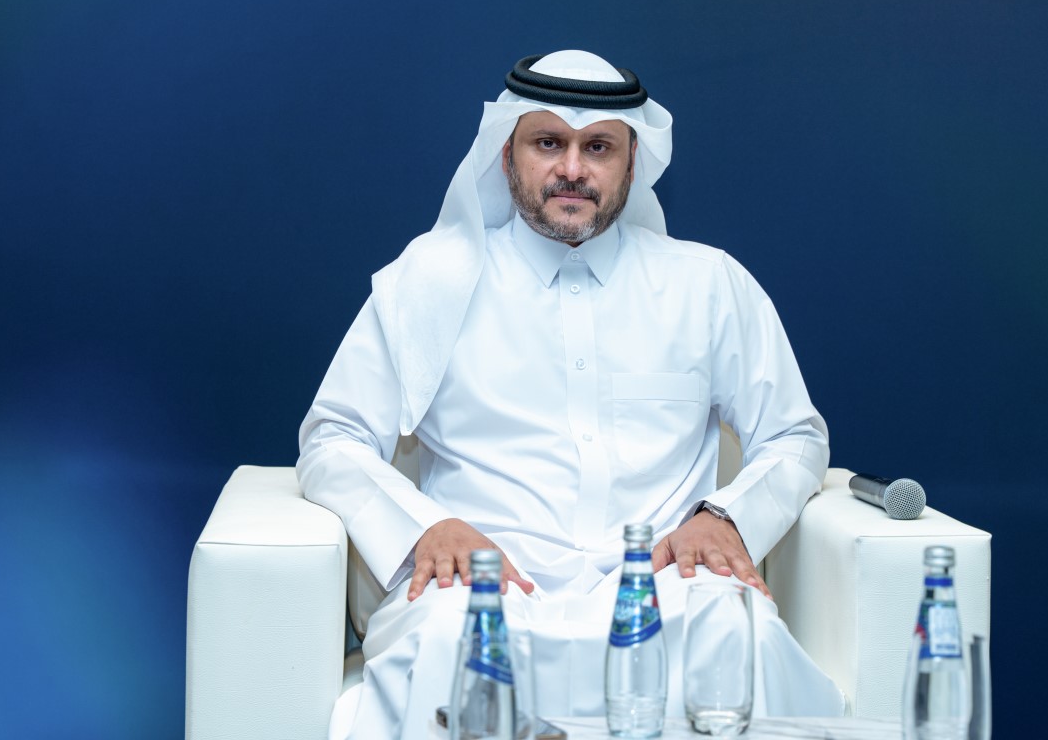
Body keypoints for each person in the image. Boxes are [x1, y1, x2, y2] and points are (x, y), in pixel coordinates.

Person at [297, 50, 844, 739]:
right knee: (442, 643)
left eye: (599, 147)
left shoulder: (709, 285)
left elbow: (795, 435)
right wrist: (426, 529)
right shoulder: (427, 283)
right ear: (507, 155)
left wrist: (725, 518)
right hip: (481, 584)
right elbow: (333, 438)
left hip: (663, 586)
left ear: (632, 162)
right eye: (549, 143)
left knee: (741, 636)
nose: (573, 169)